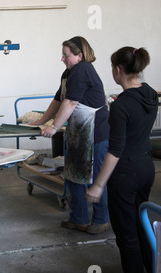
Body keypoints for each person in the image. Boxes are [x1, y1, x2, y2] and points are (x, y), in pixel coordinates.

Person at [86, 47, 158, 273]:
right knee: (142, 226)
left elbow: (115, 151)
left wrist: (98, 185)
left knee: (126, 233)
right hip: (147, 167)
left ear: (118, 70)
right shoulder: (150, 94)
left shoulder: (121, 106)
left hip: (125, 172)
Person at [31, 36, 110, 234]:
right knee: (73, 176)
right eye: (63, 55)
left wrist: (54, 127)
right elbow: (58, 100)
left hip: (95, 132)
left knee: (95, 178)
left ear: (79, 55)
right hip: (78, 132)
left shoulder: (83, 70)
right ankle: (79, 218)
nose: (62, 59)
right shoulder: (68, 72)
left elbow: (71, 103)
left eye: (66, 55)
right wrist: (41, 120)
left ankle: (101, 220)